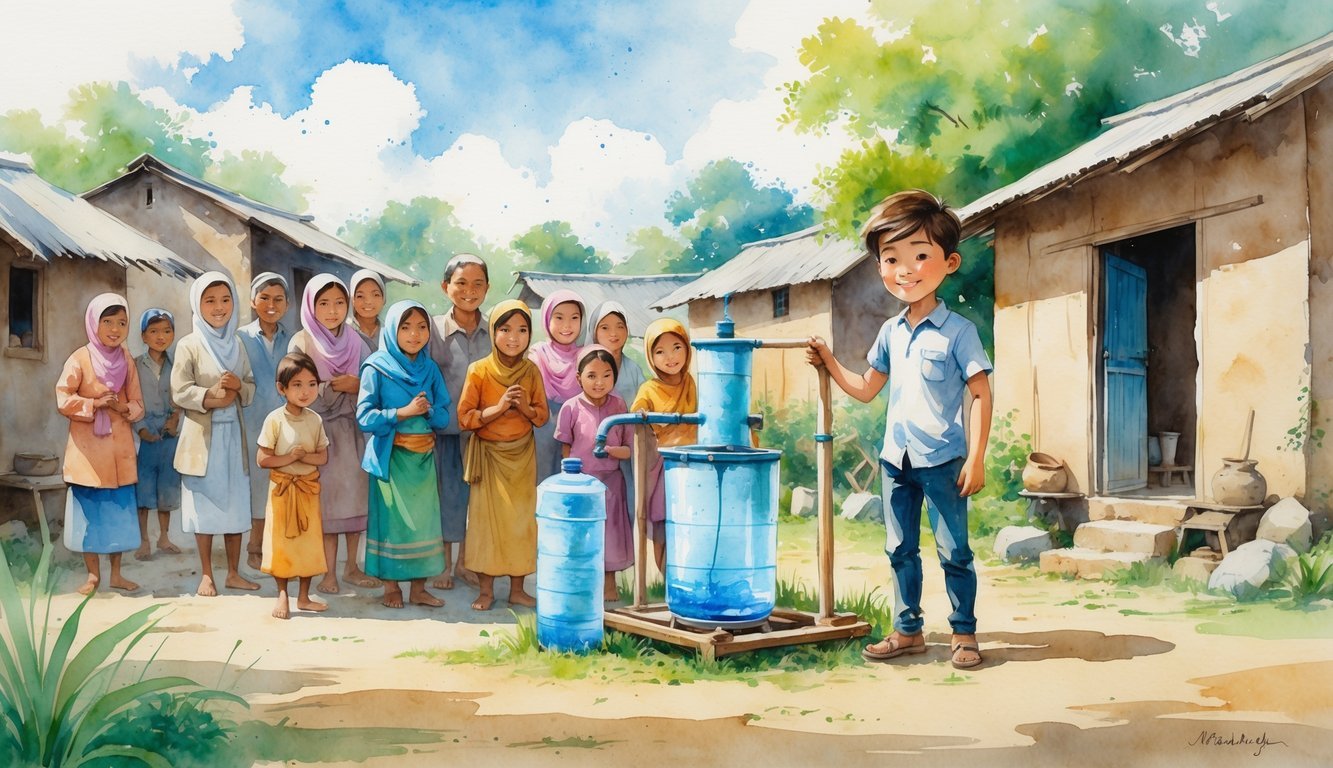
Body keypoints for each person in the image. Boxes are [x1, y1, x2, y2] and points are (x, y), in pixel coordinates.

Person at [806, 189, 993, 670]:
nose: (905, 270)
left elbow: (980, 395)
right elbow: (868, 388)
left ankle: (964, 634)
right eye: (892, 259)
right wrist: (828, 361)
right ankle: (907, 630)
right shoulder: (890, 332)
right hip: (897, 461)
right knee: (899, 550)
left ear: (948, 263)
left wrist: (975, 457)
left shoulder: (959, 332)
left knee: (955, 552)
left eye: (920, 256)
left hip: (944, 460)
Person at [356, 300, 450, 609]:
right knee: (393, 526)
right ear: (393, 329)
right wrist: (403, 412)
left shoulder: (430, 368)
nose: (414, 334)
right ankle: (391, 588)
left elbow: (444, 416)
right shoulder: (376, 366)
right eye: (406, 327)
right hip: (391, 460)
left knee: (423, 525)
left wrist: (431, 412)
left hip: (423, 462)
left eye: (422, 327)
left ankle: (419, 589)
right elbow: (365, 417)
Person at [172, 272, 260, 596]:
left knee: (235, 504)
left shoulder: (237, 344)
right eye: (210, 300)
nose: (218, 307)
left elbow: (250, 385)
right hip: (201, 438)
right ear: (198, 304)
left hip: (232, 437)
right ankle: (207, 574)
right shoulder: (189, 344)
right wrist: (211, 396)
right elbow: (179, 392)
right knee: (204, 507)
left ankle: (234, 573)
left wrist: (239, 387)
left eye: (225, 300)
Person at [458, 299, 549, 611]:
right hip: (489, 457)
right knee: (486, 526)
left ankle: (517, 589)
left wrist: (523, 406)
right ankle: (485, 591)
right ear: (493, 332)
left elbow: (542, 417)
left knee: (521, 524)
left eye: (523, 330)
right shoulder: (479, 371)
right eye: (506, 329)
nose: (514, 337)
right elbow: (464, 418)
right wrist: (497, 409)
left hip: (522, 456)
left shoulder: (531, 371)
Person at [290, 275, 377, 595]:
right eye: (323, 303)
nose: (332, 310)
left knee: (354, 502)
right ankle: (327, 574)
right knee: (326, 507)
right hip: (317, 435)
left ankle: (351, 568)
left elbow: (374, 385)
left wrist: (358, 387)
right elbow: (292, 388)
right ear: (311, 306)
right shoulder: (301, 343)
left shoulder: (358, 342)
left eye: (340, 303)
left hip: (352, 433)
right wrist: (328, 388)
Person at [57, 293, 144, 595]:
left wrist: (123, 409)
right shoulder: (80, 358)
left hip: (118, 450)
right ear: (95, 323)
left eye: (122, 322)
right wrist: (94, 405)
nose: (115, 329)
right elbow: (63, 399)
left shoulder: (126, 360)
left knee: (117, 514)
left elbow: (137, 404)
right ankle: (93, 575)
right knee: (90, 515)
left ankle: (117, 574)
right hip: (89, 452)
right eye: (107, 321)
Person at [429, 253, 491, 590]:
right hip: (446, 429)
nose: (469, 291)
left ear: (487, 288)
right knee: (447, 496)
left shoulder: (494, 329)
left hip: (485, 431)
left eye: (477, 284)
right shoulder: (433, 330)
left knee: (477, 500)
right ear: (445, 287)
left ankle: (467, 562)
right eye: (461, 283)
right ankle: (442, 564)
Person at [554, 346, 632, 602]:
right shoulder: (570, 407)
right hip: (582, 484)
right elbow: (566, 445)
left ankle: (609, 585)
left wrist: (611, 451)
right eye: (591, 376)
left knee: (610, 533)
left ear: (615, 377)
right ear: (578, 378)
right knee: (582, 535)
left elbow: (629, 449)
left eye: (606, 375)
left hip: (611, 483)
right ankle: (581, 585)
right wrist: (571, 477)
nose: (599, 383)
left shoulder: (619, 405)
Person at [256, 352, 330, 619]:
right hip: (282, 492)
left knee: (307, 545)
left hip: (308, 490)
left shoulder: (315, 420)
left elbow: (323, 456)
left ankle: (304, 596)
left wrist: (304, 457)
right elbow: (263, 459)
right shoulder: (275, 419)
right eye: (297, 385)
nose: (305, 391)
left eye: (311, 384)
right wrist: (289, 458)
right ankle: (282, 595)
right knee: (283, 545)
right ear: (282, 388)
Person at [630, 318, 698, 574]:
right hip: (663, 468)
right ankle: (668, 580)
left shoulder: (690, 383)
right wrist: (643, 414)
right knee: (663, 527)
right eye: (660, 351)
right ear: (651, 356)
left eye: (677, 347)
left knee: (689, 524)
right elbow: (638, 409)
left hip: (693, 464)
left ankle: (684, 578)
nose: (670, 357)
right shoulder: (649, 388)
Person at [239, 272, 292, 570]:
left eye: (278, 299)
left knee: (285, 483)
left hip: (287, 422)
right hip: (251, 420)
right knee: (258, 484)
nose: (271, 305)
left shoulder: (293, 338)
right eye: (264, 298)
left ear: (287, 304)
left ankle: (280, 548)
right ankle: (254, 545)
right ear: (252, 301)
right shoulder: (240, 337)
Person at [587, 301, 646, 538]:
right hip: (596, 447)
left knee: (629, 501)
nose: (614, 333)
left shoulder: (633, 369)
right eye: (605, 327)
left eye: (620, 326)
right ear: (594, 332)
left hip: (627, 448)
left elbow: (643, 400)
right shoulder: (586, 366)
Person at [133, 307, 183, 560]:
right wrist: (140, 428)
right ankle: (144, 541)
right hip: (145, 436)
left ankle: (164, 537)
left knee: (167, 488)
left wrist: (176, 419)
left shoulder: (178, 364)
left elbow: (183, 397)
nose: (160, 336)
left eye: (166, 331)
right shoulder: (135, 366)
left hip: (170, 436)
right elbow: (130, 399)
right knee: (143, 490)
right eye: (153, 331)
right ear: (143, 336)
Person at [528, 290, 584, 483]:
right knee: (543, 483)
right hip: (542, 430)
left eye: (574, 318)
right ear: (546, 319)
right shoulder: (537, 354)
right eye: (559, 317)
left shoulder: (586, 357)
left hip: (579, 432)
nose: (567, 326)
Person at [348, 269, 386, 353]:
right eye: (360, 296)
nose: (368, 301)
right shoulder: (343, 332)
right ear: (352, 299)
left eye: (376, 295)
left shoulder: (389, 334)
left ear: (384, 299)